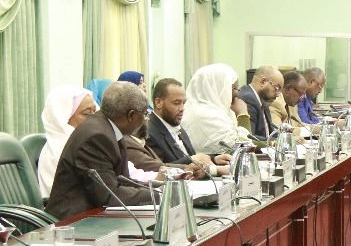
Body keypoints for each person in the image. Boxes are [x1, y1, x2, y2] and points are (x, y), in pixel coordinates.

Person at [45, 82, 155, 221]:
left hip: (96, 214)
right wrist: (158, 195)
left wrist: (160, 188)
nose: (145, 119)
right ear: (131, 115)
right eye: (145, 114)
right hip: (74, 222)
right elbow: (110, 195)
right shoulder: (97, 137)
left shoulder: (109, 128)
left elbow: (122, 181)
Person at [145, 77, 232, 176]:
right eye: (176, 103)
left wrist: (214, 159)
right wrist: (192, 159)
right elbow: (158, 170)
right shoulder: (148, 132)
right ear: (158, 103)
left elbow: (191, 157)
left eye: (183, 103)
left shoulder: (177, 127)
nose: (182, 108)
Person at [38, 86, 96, 200]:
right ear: (63, 118)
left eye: (95, 111)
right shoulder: (60, 150)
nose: (94, 119)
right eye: (87, 113)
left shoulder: (85, 142)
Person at [182, 63, 249, 153]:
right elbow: (243, 147)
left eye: (237, 88)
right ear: (217, 88)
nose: (237, 93)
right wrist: (243, 114)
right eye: (234, 88)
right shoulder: (205, 115)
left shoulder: (218, 111)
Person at [237, 65, 284, 140]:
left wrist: (286, 137)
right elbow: (250, 137)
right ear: (263, 81)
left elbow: (270, 131)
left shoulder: (262, 99)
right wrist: (275, 141)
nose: (278, 95)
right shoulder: (248, 98)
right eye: (277, 88)